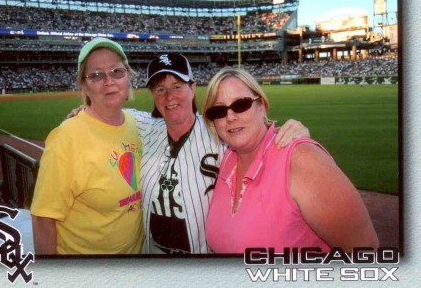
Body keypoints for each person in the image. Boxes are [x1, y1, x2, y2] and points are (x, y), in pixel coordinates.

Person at [67, 51, 310, 254]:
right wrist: (85, 111)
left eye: (177, 86)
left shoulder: (219, 129)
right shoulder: (140, 127)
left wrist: (294, 131)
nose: (169, 96)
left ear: (192, 89)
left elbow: (256, 136)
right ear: (153, 96)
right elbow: (109, 116)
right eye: (160, 89)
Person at [201, 67, 379, 253]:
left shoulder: (301, 159)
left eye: (241, 104)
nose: (230, 117)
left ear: (261, 106)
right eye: (219, 110)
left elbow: (367, 252)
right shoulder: (227, 159)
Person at [30, 38, 143, 254]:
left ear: (128, 76)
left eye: (117, 71)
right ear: (84, 84)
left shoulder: (138, 124)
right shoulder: (66, 139)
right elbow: (43, 219)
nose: (109, 81)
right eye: (97, 75)